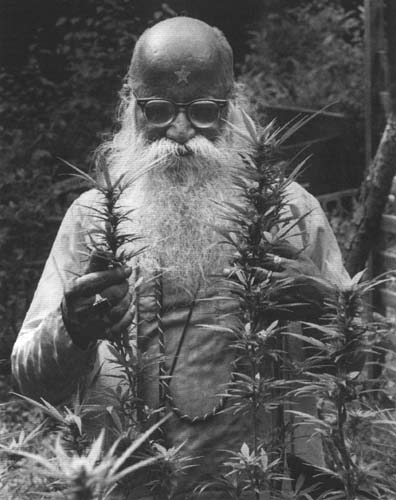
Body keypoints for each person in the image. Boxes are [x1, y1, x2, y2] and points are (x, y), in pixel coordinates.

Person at [12, 16, 352, 500]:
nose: (180, 130)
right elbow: (30, 378)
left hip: (261, 483)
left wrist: (326, 308)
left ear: (233, 107)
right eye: (158, 110)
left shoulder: (289, 212)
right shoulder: (91, 218)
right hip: (126, 483)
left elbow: (361, 368)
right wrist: (70, 330)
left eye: (204, 111)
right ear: (131, 107)